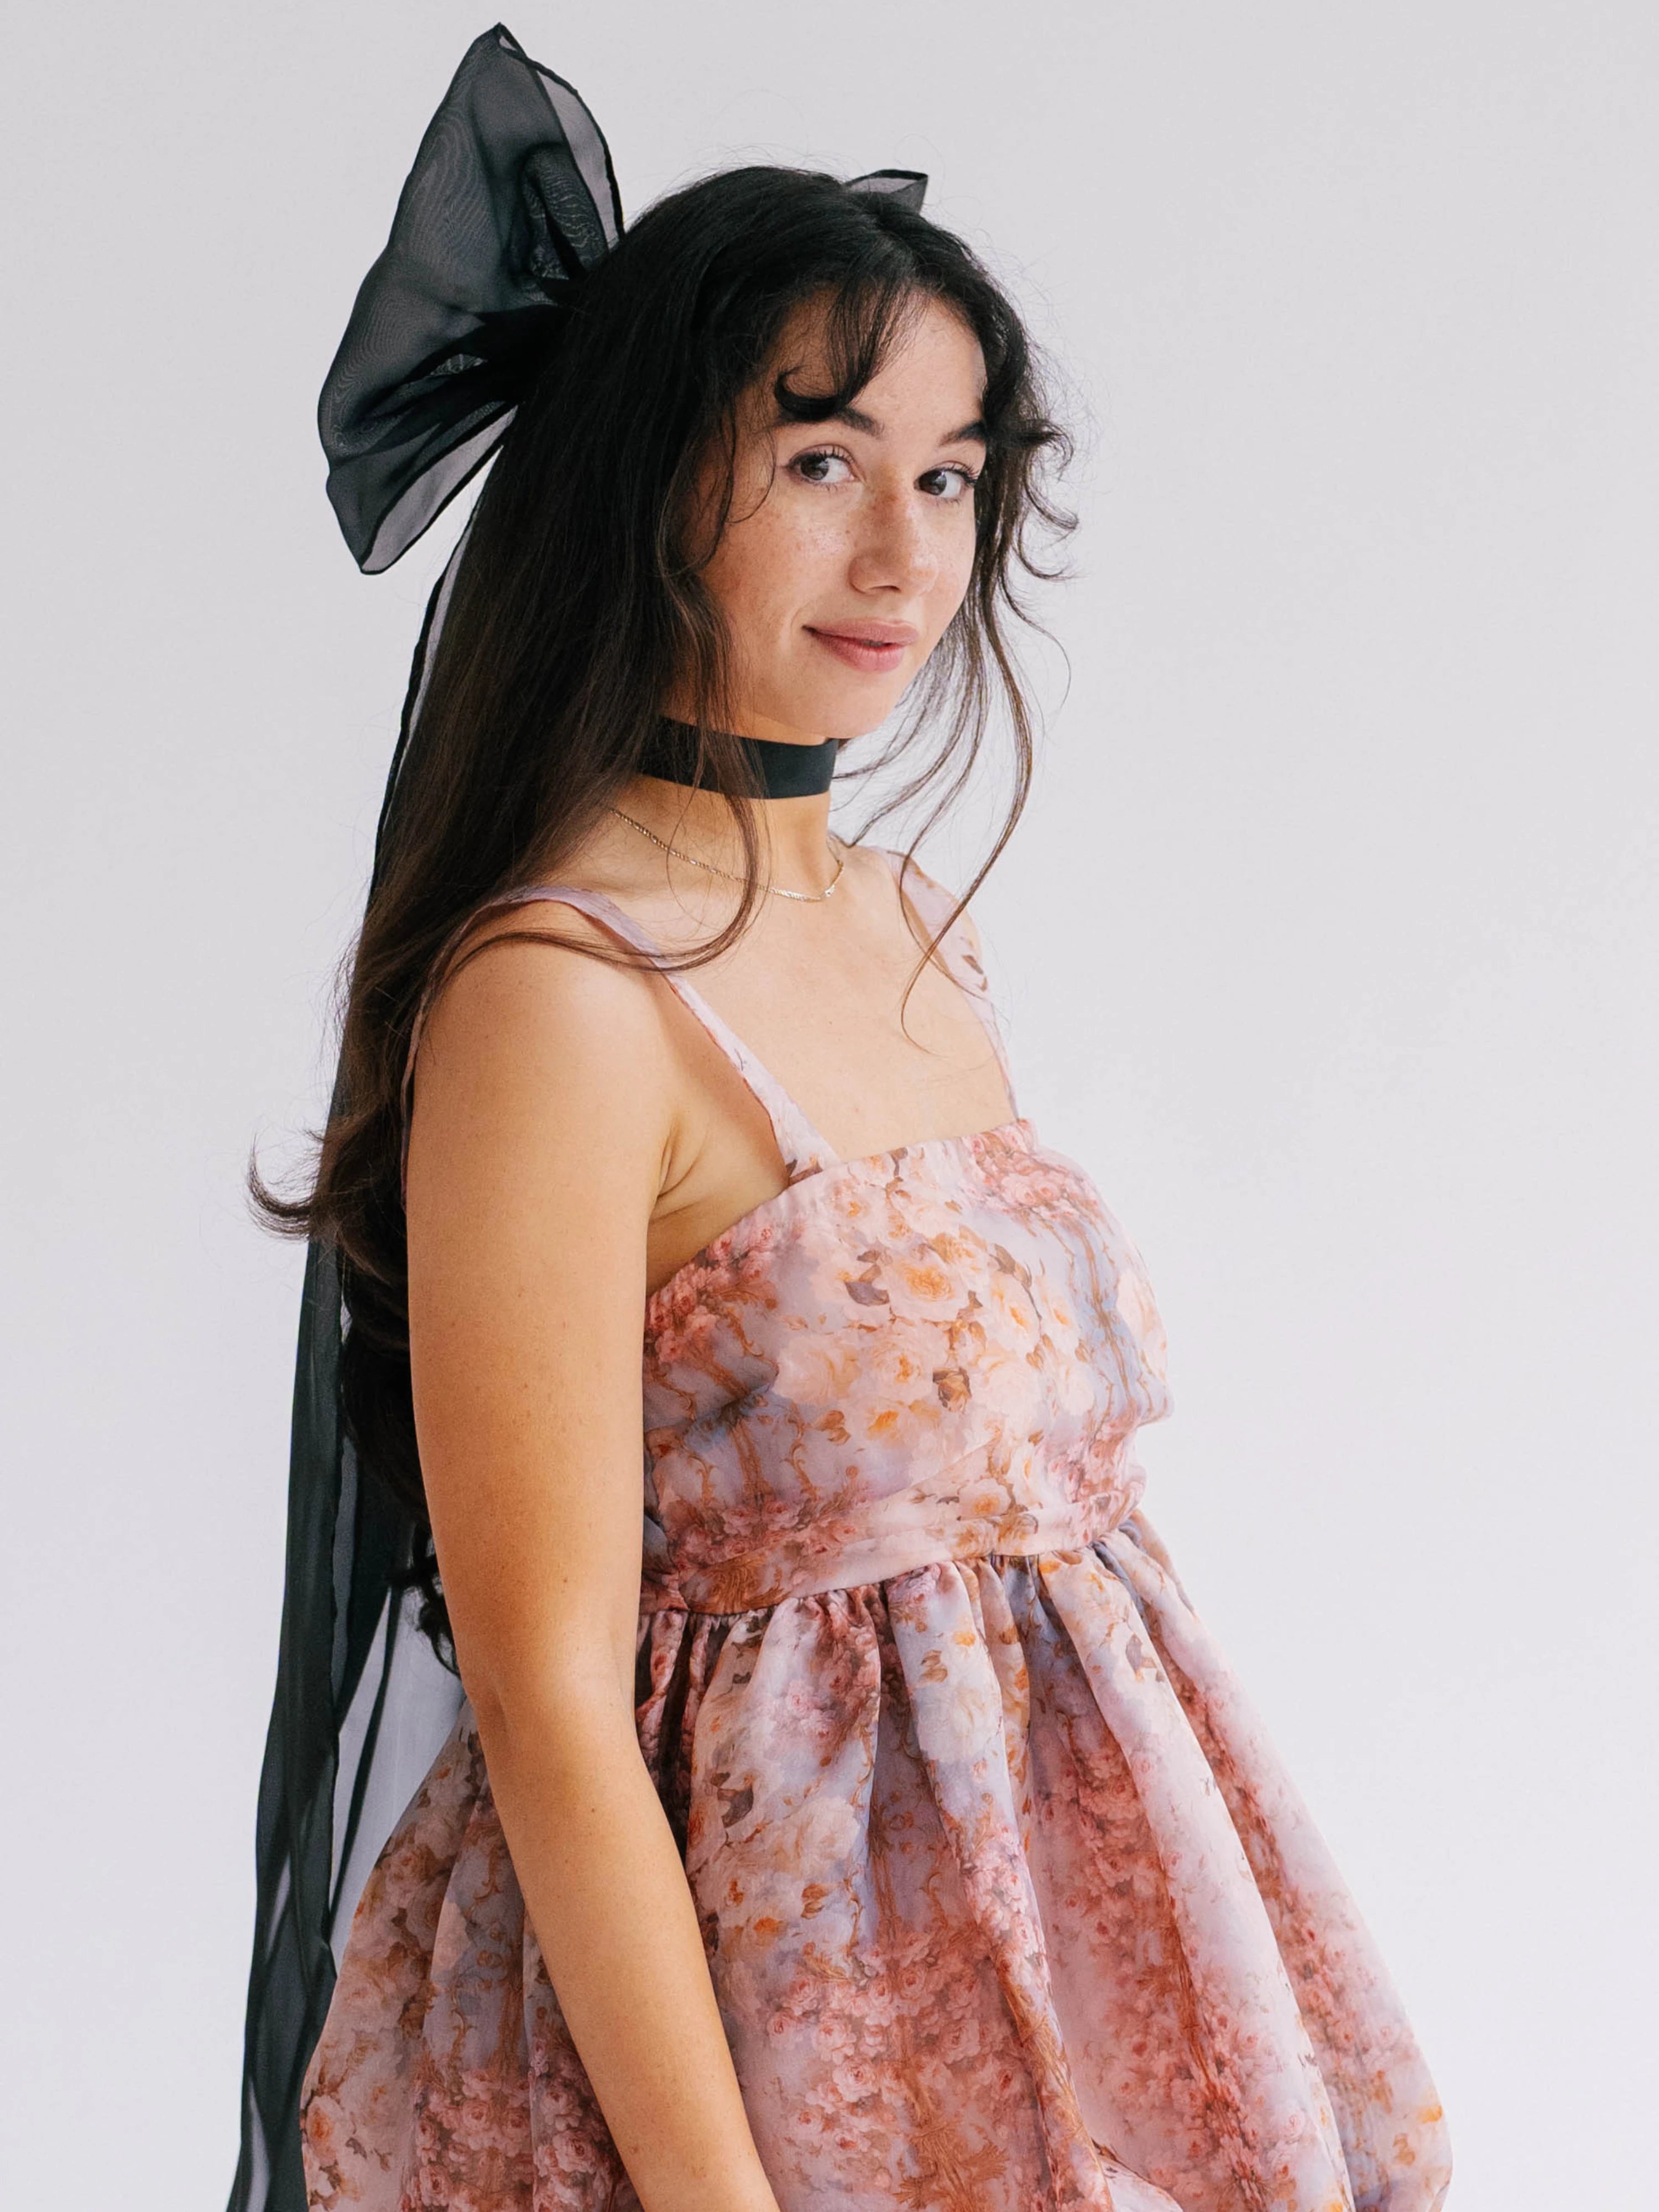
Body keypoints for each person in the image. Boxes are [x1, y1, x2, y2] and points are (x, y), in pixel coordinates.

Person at [232, 28, 1451, 2212]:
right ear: (645, 474)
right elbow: (539, 1692)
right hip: (759, 2038)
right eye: (820, 457)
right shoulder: (563, 996)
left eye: (956, 471)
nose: (904, 543)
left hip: (1045, 1986)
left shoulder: (906, 923)